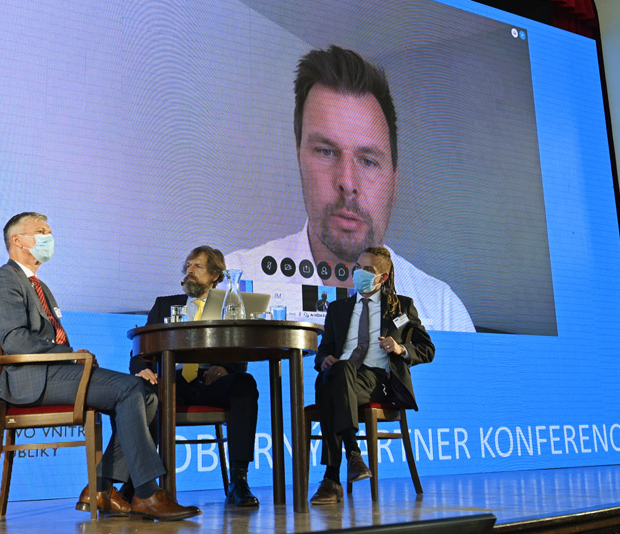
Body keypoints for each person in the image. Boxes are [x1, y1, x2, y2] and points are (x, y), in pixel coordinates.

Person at [225, 45, 474, 333]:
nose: (348, 182)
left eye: (368, 161)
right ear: (299, 159)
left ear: (394, 181)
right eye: (326, 152)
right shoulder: (228, 288)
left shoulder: (444, 313)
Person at [0, 212, 200, 521]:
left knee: (146, 393)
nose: (48, 238)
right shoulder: (3, 279)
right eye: (40, 231)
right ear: (17, 240)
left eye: (50, 232)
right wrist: (69, 355)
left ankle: (100, 489)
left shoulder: (40, 286)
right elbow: (14, 340)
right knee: (130, 389)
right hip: (29, 379)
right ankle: (148, 493)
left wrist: (69, 356)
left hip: (51, 372)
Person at [130, 246, 261, 507]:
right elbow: (141, 345)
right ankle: (140, 484)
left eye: (198, 266)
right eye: (188, 265)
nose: (190, 270)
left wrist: (228, 369)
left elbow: (241, 346)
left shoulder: (230, 306)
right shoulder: (164, 304)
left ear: (215, 275)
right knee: (140, 391)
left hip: (212, 381)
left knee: (245, 384)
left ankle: (239, 480)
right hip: (172, 381)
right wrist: (140, 370)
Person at [309, 246, 434, 505]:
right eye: (357, 267)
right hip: (341, 375)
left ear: (383, 277)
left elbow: (427, 349)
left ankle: (331, 478)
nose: (359, 273)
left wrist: (400, 348)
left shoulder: (401, 307)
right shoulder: (337, 309)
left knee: (329, 387)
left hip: (377, 381)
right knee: (336, 373)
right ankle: (353, 454)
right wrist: (324, 359)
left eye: (368, 270)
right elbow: (324, 350)